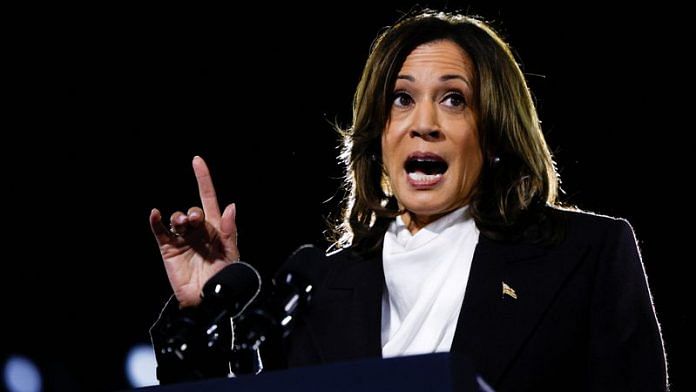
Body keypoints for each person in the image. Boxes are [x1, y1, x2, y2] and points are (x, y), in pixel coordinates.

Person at [149, 10, 668, 391]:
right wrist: (203, 313)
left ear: (494, 134)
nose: (424, 123)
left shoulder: (587, 255)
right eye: (401, 99)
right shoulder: (315, 288)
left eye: (453, 99)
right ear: (379, 135)